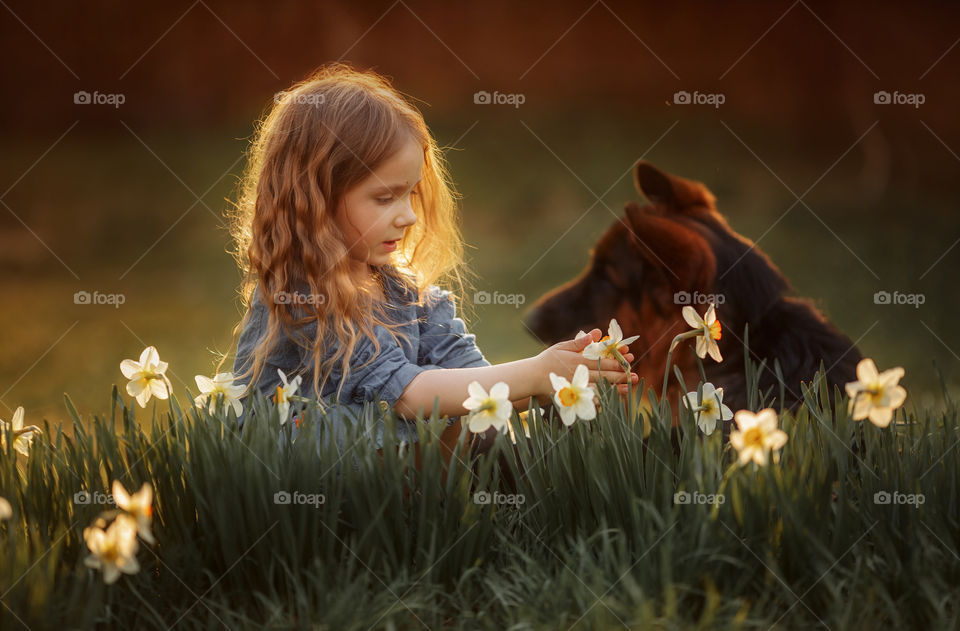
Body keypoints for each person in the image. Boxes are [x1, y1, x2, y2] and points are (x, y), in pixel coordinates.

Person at [218, 62, 638, 473]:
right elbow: (407, 397)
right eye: (385, 198)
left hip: (387, 476)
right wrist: (537, 373)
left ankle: (444, 519)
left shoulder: (406, 295)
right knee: (429, 412)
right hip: (300, 480)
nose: (409, 216)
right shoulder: (303, 295)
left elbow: (476, 381)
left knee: (475, 419)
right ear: (316, 199)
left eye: (410, 195)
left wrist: (562, 377)